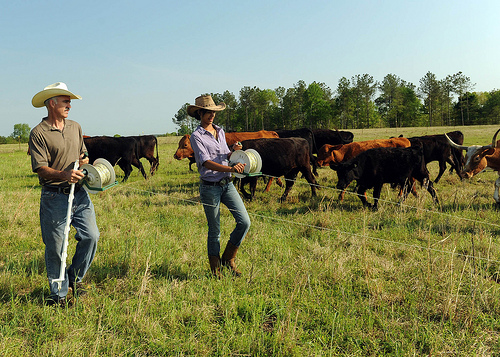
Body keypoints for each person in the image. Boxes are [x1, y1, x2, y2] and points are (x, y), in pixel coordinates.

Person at [29, 82, 99, 306]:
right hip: (54, 196)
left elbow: (83, 153)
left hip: (79, 193)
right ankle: (58, 295)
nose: (70, 104)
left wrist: (84, 160)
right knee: (57, 246)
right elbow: (41, 168)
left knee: (91, 236)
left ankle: (75, 279)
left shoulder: (75, 127)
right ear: (52, 103)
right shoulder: (38, 133)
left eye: (70, 101)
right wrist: (64, 174)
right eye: (65, 101)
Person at [188, 94, 251, 278]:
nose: (211, 115)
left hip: (227, 184)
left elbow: (224, 154)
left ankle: (228, 259)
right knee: (214, 229)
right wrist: (230, 167)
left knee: (244, 222)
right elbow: (206, 162)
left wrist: (234, 152)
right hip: (210, 187)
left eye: (213, 112)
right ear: (199, 113)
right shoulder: (196, 136)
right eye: (207, 112)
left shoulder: (220, 131)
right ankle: (215, 269)